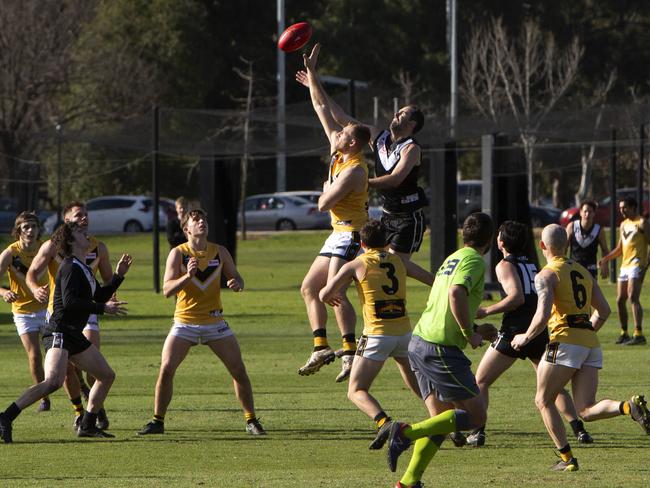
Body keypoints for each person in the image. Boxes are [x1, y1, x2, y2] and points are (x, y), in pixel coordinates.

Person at [511, 224, 650, 472]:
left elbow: (542, 316)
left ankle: (567, 460)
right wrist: (584, 333)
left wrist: (525, 337)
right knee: (585, 409)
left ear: (543, 246)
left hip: (564, 341)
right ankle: (628, 406)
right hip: (590, 344)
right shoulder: (583, 271)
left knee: (543, 400)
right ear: (567, 244)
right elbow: (604, 311)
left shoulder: (545, 275)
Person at [382, 213, 494, 488]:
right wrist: (470, 335)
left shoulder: (452, 258)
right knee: (477, 416)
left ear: (464, 235)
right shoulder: (475, 261)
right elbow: (456, 294)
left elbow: (446, 299)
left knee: (442, 421)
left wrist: (476, 327)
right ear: (489, 240)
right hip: (440, 347)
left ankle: (408, 482)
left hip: (419, 341)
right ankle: (405, 433)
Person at [137, 209, 266, 436]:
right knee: (166, 369)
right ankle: (158, 421)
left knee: (238, 370)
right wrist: (187, 276)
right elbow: (167, 290)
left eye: (204, 219)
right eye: (196, 220)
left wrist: (237, 282)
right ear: (187, 229)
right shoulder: (178, 254)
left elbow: (237, 276)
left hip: (215, 322)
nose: (201, 222)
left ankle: (251, 420)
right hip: (184, 322)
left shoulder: (220, 252)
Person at [464, 221, 592, 447]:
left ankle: (477, 431)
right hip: (538, 329)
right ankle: (579, 429)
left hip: (515, 332)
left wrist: (486, 310)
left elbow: (516, 297)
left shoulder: (504, 265)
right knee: (552, 386)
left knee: (480, 380)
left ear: (501, 242)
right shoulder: (532, 264)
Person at [0, 222, 131, 442]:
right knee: (53, 381)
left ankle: (88, 425)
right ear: (70, 241)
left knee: (106, 376)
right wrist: (102, 309)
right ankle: (6, 416)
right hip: (59, 331)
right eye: (80, 232)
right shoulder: (70, 266)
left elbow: (98, 295)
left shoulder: (83, 267)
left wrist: (118, 275)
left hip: (72, 334)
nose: (86, 234)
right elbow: (70, 302)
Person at [296, 48, 427, 262]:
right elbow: (338, 116)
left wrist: (360, 182)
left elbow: (395, 180)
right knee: (382, 265)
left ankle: (439, 284)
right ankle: (439, 283)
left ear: (411, 124)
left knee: (392, 266)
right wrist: (314, 80)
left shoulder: (411, 148)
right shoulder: (378, 136)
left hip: (408, 215)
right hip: (387, 214)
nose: (396, 114)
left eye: (402, 113)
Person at [318, 220, 433, 448]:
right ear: (388, 241)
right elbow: (433, 281)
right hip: (404, 335)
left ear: (362, 243)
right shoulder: (400, 261)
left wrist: (329, 296)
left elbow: (324, 293)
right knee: (416, 383)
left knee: (356, 390)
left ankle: (385, 423)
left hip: (376, 336)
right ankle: (441, 422)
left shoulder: (356, 264)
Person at [296, 44, 371, 382]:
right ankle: (321, 346)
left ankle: (350, 352)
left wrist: (323, 194)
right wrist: (312, 71)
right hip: (337, 233)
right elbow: (320, 105)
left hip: (352, 234)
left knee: (333, 291)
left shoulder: (354, 169)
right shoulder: (339, 152)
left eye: (343, 133)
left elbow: (324, 204)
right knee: (310, 288)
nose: (337, 133)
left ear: (352, 143)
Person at [26, 201, 114, 430]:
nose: (84, 218)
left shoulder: (98, 247)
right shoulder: (52, 246)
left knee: (94, 366)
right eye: (78, 216)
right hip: (62, 312)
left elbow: (107, 281)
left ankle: (95, 413)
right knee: (65, 370)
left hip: (88, 311)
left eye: (86, 215)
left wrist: (111, 296)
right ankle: (79, 413)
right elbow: (32, 274)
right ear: (67, 223)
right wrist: (35, 288)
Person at [0, 212, 50, 412]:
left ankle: (79, 390)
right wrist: (4, 292)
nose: (30, 230)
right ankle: (43, 398)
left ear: (39, 229)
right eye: (26, 227)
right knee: (35, 356)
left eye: (33, 226)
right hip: (23, 312)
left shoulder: (46, 248)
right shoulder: (10, 253)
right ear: (18, 230)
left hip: (48, 309)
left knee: (63, 355)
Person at [599, 196, 650, 345]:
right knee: (620, 300)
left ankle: (638, 334)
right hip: (625, 266)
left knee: (633, 297)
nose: (622, 210)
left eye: (625, 207)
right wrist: (605, 259)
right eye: (620, 208)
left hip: (637, 264)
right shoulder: (623, 225)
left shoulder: (642, 222)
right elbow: (620, 249)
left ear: (634, 207)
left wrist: (645, 267)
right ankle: (624, 333)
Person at [566, 200, 609, 279]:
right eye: (585, 211)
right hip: (574, 267)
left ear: (594, 214)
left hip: (591, 269)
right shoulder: (572, 226)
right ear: (580, 212)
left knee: (591, 290)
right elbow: (564, 247)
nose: (587, 214)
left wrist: (605, 264)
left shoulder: (598, 230)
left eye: (590, 212)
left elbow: (605, 250)